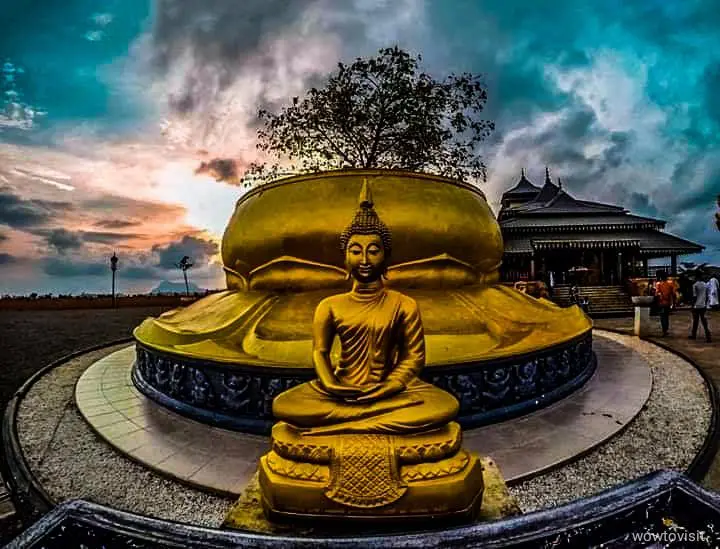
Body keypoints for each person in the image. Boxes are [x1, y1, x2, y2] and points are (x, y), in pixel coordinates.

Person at [272, 180, 459, 436]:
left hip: (390, 391)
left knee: (445, 406)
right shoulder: (330, 306)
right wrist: (330, 384)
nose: (364, 260)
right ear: (345, 256)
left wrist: (390, 386)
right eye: (355, 251)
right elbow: (320, 353)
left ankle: (344, 424)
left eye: (373, 251)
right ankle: (366, 419)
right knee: (283, 405)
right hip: (341, 390)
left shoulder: (404, 304)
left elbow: (414, 358)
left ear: (386, 256)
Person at [690, 274, 711, 342]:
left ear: (696, 277)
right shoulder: (705, 285)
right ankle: (708, 336)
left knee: (695, 321)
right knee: (704, 321)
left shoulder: (695, 285)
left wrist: (692, 306)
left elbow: (694, 297)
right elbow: (707, 296)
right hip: (703, 305)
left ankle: (694, 335)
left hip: (696, 306)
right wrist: (705, 303)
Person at [654, 271, 676, 336]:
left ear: (660, 277)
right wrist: (673, 303)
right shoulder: (670, 283)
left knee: (662, 317)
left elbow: (656, 294)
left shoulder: (658, 284)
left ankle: (664, 330)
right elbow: (673, 294)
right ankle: (665, 330)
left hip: (661, 303)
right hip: (668, 303)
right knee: (666, 316)